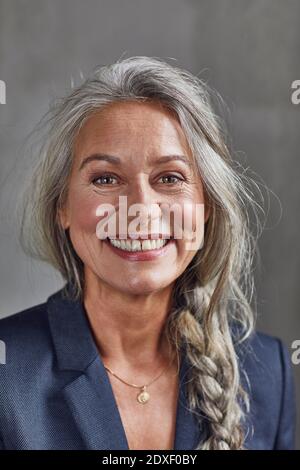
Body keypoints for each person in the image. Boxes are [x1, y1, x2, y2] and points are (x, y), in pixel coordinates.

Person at [0, 56, 296, 450]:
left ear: (206, 207)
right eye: (106, 178)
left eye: (169, 178)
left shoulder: (267, 372)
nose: (140, 209)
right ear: (63, 207)